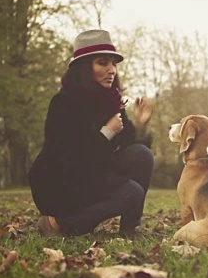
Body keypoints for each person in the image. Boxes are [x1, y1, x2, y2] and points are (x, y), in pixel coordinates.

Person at [28, 29, 155, 238]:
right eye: (102, 63)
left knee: (143, 155)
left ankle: (129, 229)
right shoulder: (64, 103)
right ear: (85, 68)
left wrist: (141, 124)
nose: (111, 70)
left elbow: (130, 147)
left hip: (94, 172)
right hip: (62, 184)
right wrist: (106, 132)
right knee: (131, 193)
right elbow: (69, 159)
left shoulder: (111, 100)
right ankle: (57, 223)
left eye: (113, 63)